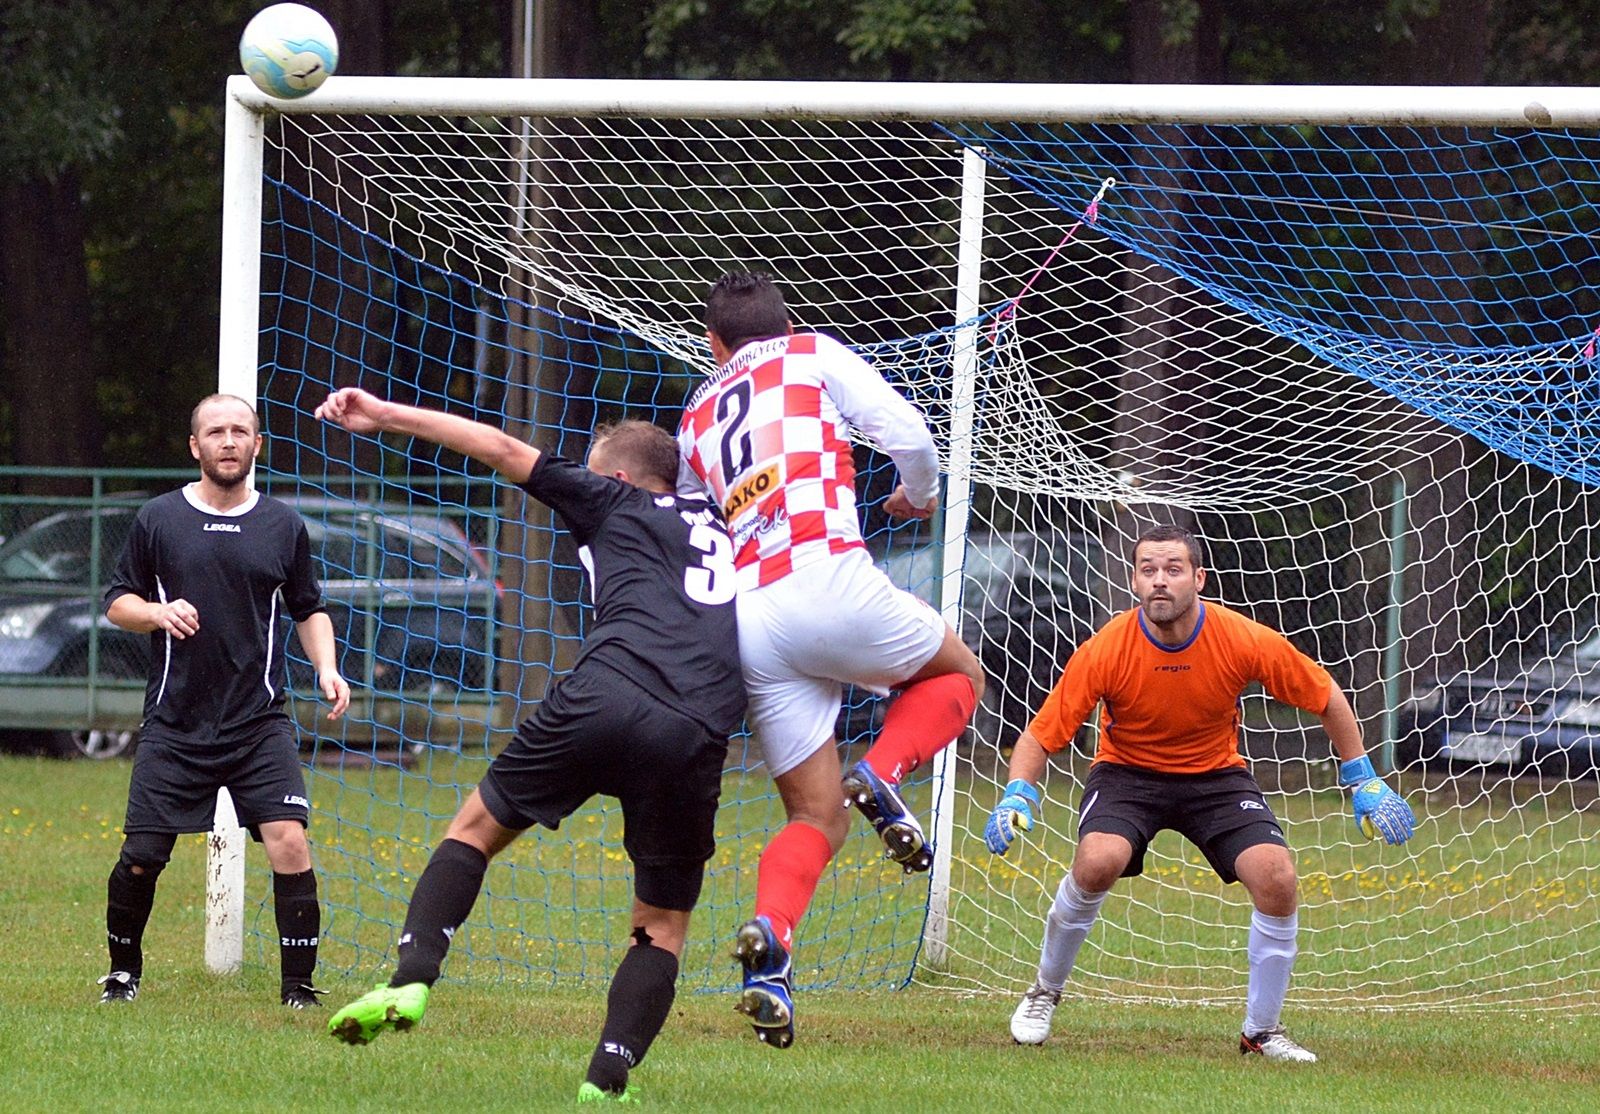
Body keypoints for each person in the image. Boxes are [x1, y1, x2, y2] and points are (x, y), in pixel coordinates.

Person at [315, 388, 744, 1104]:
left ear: (618, 478)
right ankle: (606, 1080)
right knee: (662, 926)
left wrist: (385, 415)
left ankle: (412, 980)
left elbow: (501, 448)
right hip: (695, 728)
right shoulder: (740, 528)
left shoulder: (614, 500)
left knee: (474, 830)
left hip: (606, 691)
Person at [677, 271, 986, 1048]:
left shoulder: (695, 415)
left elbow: (691, 527)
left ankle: (769, 956)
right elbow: (909, 433)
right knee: (959, 673)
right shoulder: (809, 352)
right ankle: (882, 772)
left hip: (752, 620)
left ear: (713, 344)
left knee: (814, 814)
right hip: (825, 574)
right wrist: (919, 493)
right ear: (785, 326)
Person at [985, 524, 1416, 1062]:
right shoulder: (1107, 648)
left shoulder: (1240, 638)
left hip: (1215, 778)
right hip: (1127, 774)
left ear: (1198, 578)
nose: (1160, 581)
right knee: (1098, 861)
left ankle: (1262, 1032)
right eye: (1148, 570)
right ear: (1134, 581)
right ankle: (1044, 992)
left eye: (1173, 569)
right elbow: (1040, 735)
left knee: (1277, 877)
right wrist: (1017, 793)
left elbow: (1325, 695)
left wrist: (1362, 778)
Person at [98, 393, 351, 1008]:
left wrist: (327, 668)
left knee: (289, 840)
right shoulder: (159, 518)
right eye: (216, 432)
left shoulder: (282, 525)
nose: (229, 441)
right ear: (196, 446)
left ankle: (298, 989)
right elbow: (117, 602)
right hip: (175, 721)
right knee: (142, 856)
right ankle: (123, 975)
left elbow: (309, 608)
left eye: (241, 431)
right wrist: (156, 613)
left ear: (257, 444)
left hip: (258, 722)